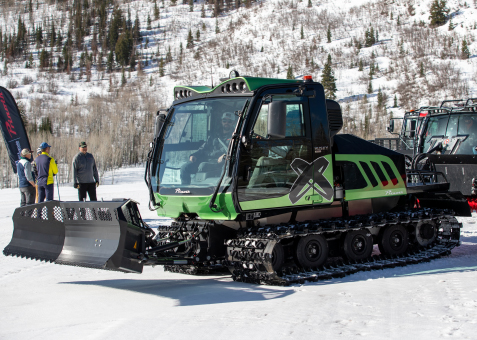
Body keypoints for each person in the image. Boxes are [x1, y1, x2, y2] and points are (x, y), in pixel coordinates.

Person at [180, 112, 236, 185]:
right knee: (185, 167)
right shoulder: (214, 134)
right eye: (224, 121)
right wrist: (194, 155)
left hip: (220, 163)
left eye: (229, 121)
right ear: (221, 121)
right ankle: (185, 190)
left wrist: (225, 156)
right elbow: (203, 147)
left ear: (233, 122)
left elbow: (235, 151)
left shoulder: (235, 136)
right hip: (207, 159)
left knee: (203, 165)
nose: (226, 123)